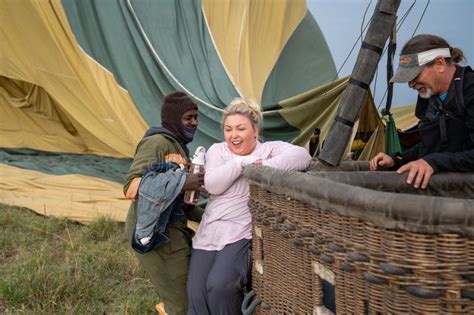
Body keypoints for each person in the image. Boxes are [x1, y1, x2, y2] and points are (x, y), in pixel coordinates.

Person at [186, 98, 312, 314]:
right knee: (196, 292)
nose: (233, 135)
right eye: (228, 129)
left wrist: (263, 166)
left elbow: (303, 156)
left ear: (255, 130)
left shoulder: (269, 150)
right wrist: (242, 163)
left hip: (240, 230)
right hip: (211, 230)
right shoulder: (219, 151)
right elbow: (212, 185)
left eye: (240, 129)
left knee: (220, 287)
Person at [124, 91, 204, 315]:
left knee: (187, 291)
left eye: (196, 117)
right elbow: (131, 186)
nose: (194, 123)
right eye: (188, 118)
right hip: (155, 233)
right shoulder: (157, 143)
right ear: (173, 118)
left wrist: (209, 214)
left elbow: (176, 202)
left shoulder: (179, 147)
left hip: (174, 231)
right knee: (182, 304)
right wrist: (182, 181)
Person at [370, 34, 474, 189]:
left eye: (415, 75)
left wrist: (434, 162)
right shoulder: (428, 98)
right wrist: (398, 159)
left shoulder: (470, 90)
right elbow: (429, 146)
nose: (411, 84)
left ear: (439, 63)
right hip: (437, 192)